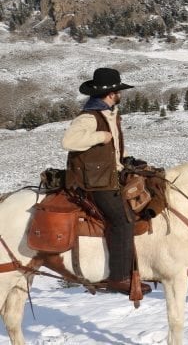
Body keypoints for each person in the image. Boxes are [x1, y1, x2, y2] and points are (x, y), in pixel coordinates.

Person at [62, 67, 151, 295]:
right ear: (111, 93)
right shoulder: (89, 117)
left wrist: (125, 161)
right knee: (122, 222)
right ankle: (118, 278)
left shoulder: (109, 113)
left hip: (108, 177)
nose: (120, 94)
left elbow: (113, 150)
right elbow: (68, 141)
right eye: (118, 91)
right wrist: (100, 137)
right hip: (94, 183)